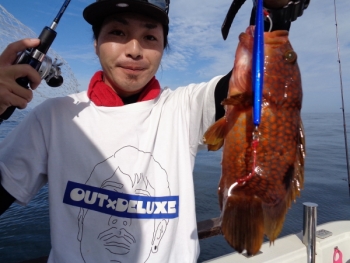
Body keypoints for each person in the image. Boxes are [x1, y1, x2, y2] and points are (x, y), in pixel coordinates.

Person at [0, 0, 309, 262]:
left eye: (150, 37)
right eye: (118, 33)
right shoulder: (51, 118)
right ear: (95, 44)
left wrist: (274, 12)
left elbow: (255, 83)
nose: (135, 50)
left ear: (163, 47)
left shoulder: (183, 108)